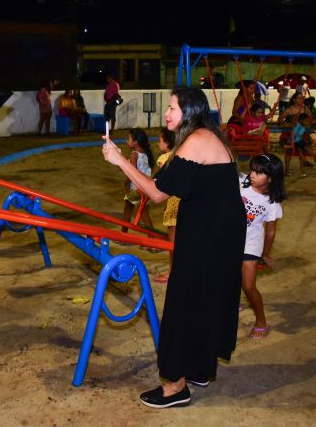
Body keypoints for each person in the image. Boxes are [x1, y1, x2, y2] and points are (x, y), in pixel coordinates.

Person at [102, 86, 246, 409]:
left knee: (184, 302)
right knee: (205, 300)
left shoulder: (195, 141)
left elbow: (156, 193)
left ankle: (175, 387)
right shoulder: (207, 136)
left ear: (190, 113)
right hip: (218, 231)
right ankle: (200, 368)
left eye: (172, 108)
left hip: (210, 236)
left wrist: (120, 161)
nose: (167, 113)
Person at [239, 153, 285, 339]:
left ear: (271, 178)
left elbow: (271, 232)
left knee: (249, 286)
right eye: (252, 169)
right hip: (231, 240)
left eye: (258, 173)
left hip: (251, 245)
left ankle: (261, 321)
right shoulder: (241, 182)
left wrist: (265, 254)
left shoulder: (271, 203)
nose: (252, 174)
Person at [153, 127, 178, 284]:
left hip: (175, 206)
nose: (157, 144)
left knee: (172, 244)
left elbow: (163, 185)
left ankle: (172, 272)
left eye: (159, 141)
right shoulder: (180, 155)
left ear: (167, 142)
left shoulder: (164, 159)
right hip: (186, 202)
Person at [121, 128, 154, 233]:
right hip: (146, 189)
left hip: (135, 189)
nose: (126, 141)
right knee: (145, 214)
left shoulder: (133, 155)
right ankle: (153, 240)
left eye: (128, 139)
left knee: (127, 210)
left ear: (135, 142)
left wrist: (126, 183)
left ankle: (123, 235)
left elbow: (132, 173)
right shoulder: (147, 154)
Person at [285, 113, 312, 178]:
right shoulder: (297, 126)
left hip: (299, 141)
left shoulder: (303, 125)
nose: (307, 122)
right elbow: (293, 134)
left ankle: (312, 158)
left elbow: (309, 124)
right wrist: (290, 141)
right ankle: (288, 170)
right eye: (306, 121)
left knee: (304, 148)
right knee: (291, 151)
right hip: (293, 141)